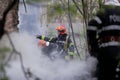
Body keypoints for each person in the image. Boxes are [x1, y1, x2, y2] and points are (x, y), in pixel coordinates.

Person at [87, 0, 120, 80]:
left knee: (103, 74)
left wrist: (94, 46)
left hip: (106, 51)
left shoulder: (103, 12)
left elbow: (91, 27)